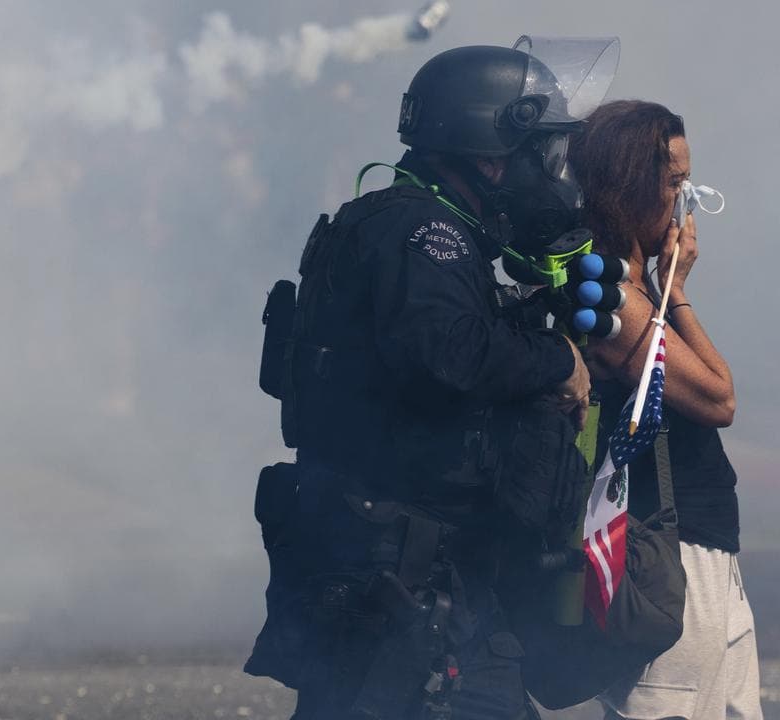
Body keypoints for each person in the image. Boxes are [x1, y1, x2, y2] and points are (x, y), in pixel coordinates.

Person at [248, 40, 619, 720]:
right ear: (491, 153)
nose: (553, 174)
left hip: (404, 574)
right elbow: (448, 353)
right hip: (409, 586)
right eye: (544, 152)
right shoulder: (423, 231)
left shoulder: (406, 224)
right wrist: (555, 359)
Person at [568, 100, 763, 720]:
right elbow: (716, 395)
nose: (686, 201)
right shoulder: (611, 302)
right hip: (664, 558)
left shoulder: (632, 288)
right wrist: (675, 292)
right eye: (676, 183)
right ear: (630, 190)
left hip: (706, 554)